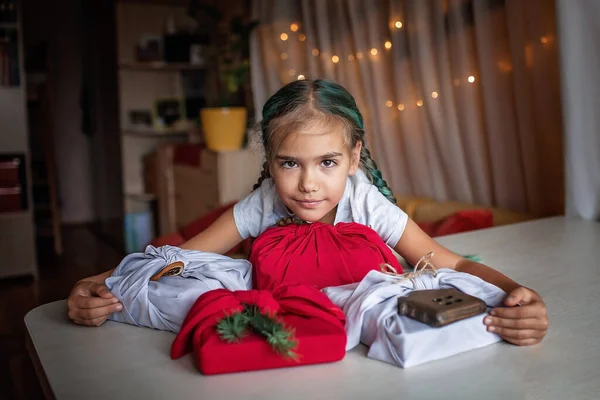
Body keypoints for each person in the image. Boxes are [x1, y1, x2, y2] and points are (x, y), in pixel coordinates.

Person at [67, 79, 548, 346]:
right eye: (289, 163)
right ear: (270, 162)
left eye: (328, 162)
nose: (308, 184)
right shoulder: (264, 203)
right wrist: (102, 284)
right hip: (285, 343)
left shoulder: (365, 203)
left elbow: (454, 263)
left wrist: (516, 293)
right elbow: (180, 256)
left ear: (354, 158)